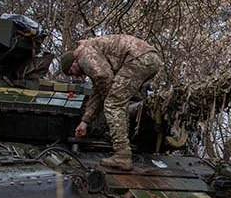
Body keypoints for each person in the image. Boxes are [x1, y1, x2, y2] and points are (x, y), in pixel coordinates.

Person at [60, 34, 160, 169]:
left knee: (113, 104)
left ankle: (122, 155)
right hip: (148, 59)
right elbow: (98, 90)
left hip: (138, 59)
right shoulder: (91, 52)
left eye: (71, 72)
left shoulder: (83, 54)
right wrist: (85, 121)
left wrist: (109, 99)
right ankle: (124, 147)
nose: (74, 76)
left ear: (73, 62)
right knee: (117, 101)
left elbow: (103, 76)